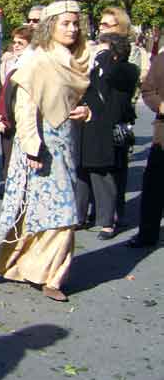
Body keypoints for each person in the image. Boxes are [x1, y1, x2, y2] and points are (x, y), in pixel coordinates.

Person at [0, 0, 92, 302]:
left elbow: (76, 102)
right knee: (51, 213)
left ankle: (46, 273)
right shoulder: (36, 61)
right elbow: (24, 108)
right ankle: (37, 271)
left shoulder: (77, 59)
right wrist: (32, 148)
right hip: (39, 146)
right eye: (65, 23)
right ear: (51, 26)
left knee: (59, 213)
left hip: (66, 143)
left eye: (75, 24)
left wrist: (86, 112)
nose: (72, 29)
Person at [75, 33, 139, 239]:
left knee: (102, 174)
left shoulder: (125, 69)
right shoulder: (97, 68)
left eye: (102, 48)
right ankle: (79, 215)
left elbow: (112, 78)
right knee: (82, 171)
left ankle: (107, 221)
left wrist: (103, 55)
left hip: (106, 127)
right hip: (88, 125)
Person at [131, 48, 164, 248]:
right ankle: (148, 233)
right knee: (155, 185)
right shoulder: (162, 60)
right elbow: (148, 90)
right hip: (163, 133)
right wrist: (160, 105)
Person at [0, 26, 34, 178]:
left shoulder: (30, 64)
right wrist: (0, 116)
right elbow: (4, 93)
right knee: (9, 162)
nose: (15, 45)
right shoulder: (14, 63)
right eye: (14, 42)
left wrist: (5, 117)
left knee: (19, 164)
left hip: (22, 122)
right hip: (10, 120)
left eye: (20, 43)